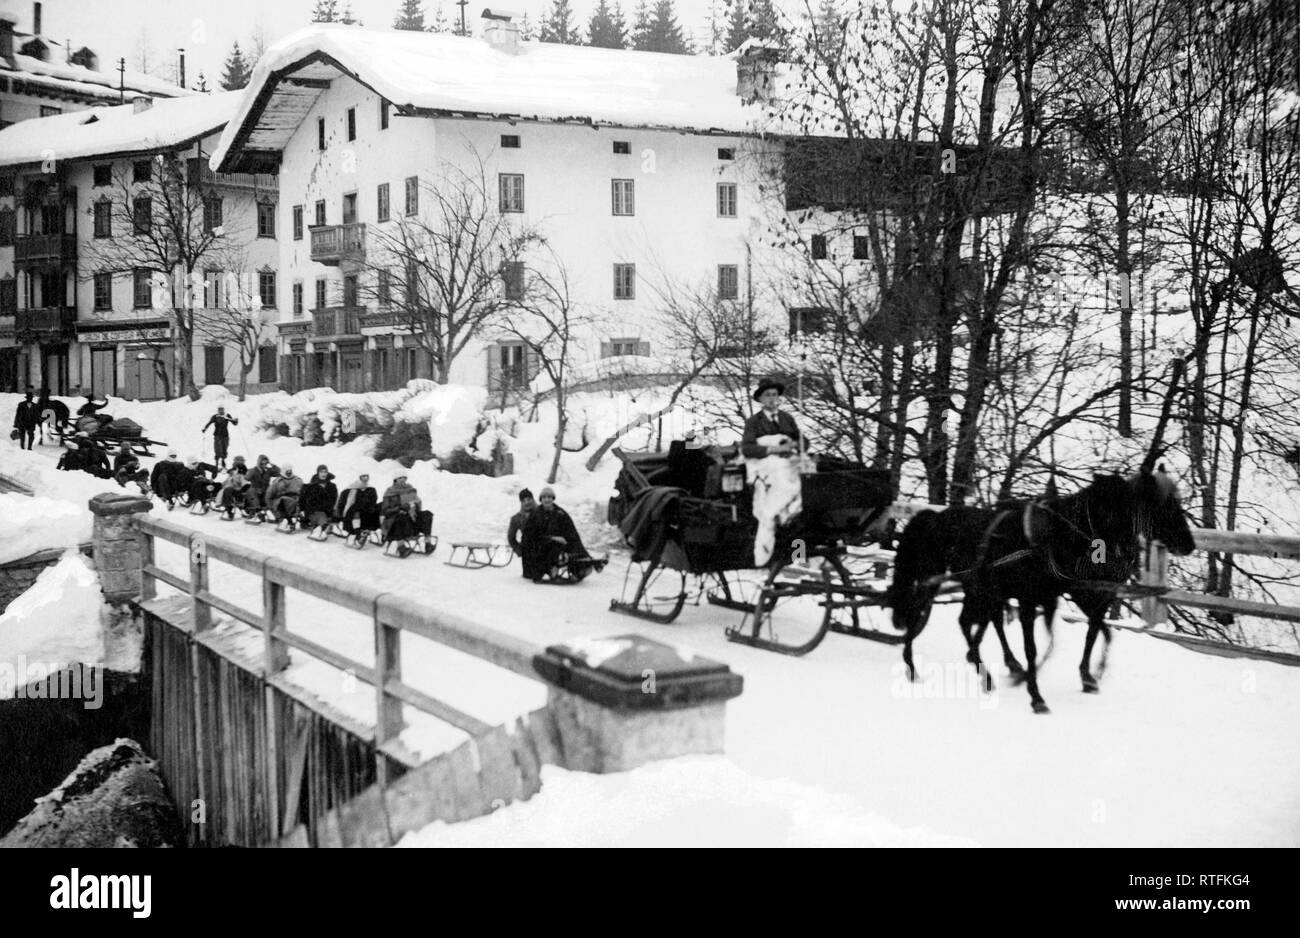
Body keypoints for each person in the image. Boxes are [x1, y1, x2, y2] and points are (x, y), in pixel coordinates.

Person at [520, 487, 605, 582]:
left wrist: (583, 552)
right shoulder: (535, 515)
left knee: (571, 547)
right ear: (541, 499)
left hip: (557, 547)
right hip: (538, 552)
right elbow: (530, 537)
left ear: (553, 499)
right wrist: (553, 538)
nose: (547, 499)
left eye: (549, 497)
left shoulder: (560, 513)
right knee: (554, 546)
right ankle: (552, 572)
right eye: (544, 497)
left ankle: (588, 563)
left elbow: (572, 533)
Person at [740, 378, 802, 459]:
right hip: (764, 465)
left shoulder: (787, 418)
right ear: (760, 399)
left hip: (789, 464)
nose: (771, 398)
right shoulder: (753, 421)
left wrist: (795, 444)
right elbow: (747, 449)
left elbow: (803, 440)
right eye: (767, 395)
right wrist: (773, 449)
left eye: (774, 394)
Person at [380, 473, 435, 557]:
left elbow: (418, 503)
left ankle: (428, 543)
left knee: (427, 514)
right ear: (395, 480)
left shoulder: (410, 489)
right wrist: (399, 508)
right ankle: (401, 547)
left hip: (411, 517)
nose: (402, 479)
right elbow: (385, 510)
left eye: (404, 477)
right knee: (401, 518)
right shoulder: (390, 492)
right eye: (400, 478)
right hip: (394, 520)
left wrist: (415, 504)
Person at [337, 474, 381, 548]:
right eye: (363, 476)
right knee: (356, 510)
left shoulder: (371, 489)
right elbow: (343, 503)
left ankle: (370, 533)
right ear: (359, 477)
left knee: (375, 510)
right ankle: (357, 534)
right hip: (352, 513)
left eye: (367, 476)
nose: (365, 478)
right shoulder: (350, 489)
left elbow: (373, 501)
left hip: (366, 512)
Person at [299, 464, 339, 540]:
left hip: (328, 511)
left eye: (325, 472)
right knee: (322, 517)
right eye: (321, 472)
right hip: (315, 511)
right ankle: (319, 529)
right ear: (318, 473)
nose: (323, 474)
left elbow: (334, 499)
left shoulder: (332, 486)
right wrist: (302, 511)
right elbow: (304, 500)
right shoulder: (311, 486)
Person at [507, 488, 537, 569]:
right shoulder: (517, 518)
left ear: (533, 499)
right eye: (523, 501)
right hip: (528, 555)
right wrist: (519, 550)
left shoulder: (543, 512)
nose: (527, 502)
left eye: (529, 499)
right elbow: (511, 538)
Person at [267, 465, 303, 531]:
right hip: (280, 502)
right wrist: (271, 508)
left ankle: (295, 520)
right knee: (283, 499)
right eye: (287, 471)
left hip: (294, 501)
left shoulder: (297, 480)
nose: (289, 473)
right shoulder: (277, 481)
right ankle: (285, 520)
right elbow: (269, 495)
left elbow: (302, 492)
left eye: (290, 471)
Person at [244, 454, 279, 519]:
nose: (264, 465)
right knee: (251, 492)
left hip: (265, 491)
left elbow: (279, 473)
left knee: (271, 494)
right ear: (259, 463)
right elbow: (246, 478)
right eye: (262, 463)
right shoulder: (254, 470)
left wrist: (273, 466)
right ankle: (258, 511)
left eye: (266, 463)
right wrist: (250, 472)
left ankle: (276, 514)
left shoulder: (268, 470)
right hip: (255, 489)